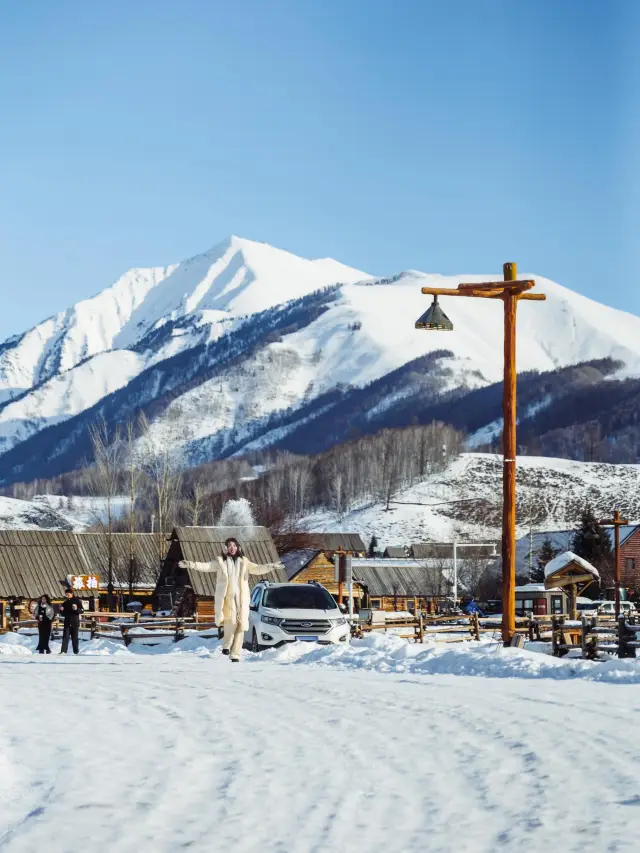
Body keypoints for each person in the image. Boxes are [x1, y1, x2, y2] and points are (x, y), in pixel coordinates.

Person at [179, 538, 283, 662]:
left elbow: (258, 569)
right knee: (231, 622)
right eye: (229, 546)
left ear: (238, 547)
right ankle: (227, 645)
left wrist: (271, 566)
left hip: (242, 600)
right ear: (225, 548)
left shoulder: (244, 562)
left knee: (241, 625)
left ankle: (235, 654)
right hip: (228, 599)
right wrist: (191, 564)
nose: (232, 548)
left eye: (234, 545)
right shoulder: (221, 562)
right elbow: (206, 566)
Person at [59, 587, 83, 655]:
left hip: (75, 623)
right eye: (66, 594)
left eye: (68, 594)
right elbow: (63, 614)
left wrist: (76, 609)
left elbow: (82, 611)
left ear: (72, 594)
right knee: (65, 637)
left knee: (74, 638)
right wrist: (61, 610)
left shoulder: (77, 601)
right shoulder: (65, 603)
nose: (67, 595)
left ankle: (76, 652)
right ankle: (63, 651)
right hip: (67, 622)